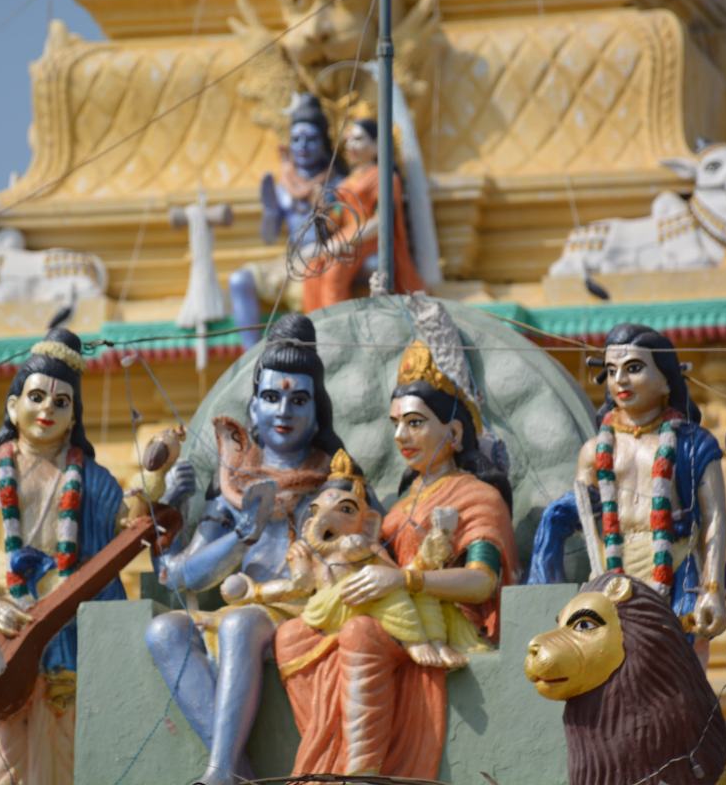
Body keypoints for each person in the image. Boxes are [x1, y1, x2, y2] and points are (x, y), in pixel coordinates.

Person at [274, 312, 518, 778]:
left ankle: (361, 772)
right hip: (385, 610)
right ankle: (325, 753)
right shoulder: (398, 507)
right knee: (290, 638)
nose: (400, 436)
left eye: (414, 423)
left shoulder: (477, 497)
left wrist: (405, 579)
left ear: (454, 433)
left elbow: (482, 582)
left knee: (359, 634)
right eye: (396, 424)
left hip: (439, 621)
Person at [144, 313, 343, 785]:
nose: (284, 411)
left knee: (238, 622)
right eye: (271, 398)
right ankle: (240, 775)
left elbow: (355, 552)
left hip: (307, 612)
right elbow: (184, 576)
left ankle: (220, 771)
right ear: (253, 411)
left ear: (318, 414)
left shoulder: (334, 480)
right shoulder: (234, 487)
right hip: (247, 608)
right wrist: (242, 536)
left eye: (299, 400)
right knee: (164, 632)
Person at [0, 328, 128, 784]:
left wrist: (157, 480)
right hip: (8, 620)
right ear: (13, 407)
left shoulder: (91, 479)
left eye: (61, 402)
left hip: (65, 620)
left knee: (65, 736)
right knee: (8, 744)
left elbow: (126, 520)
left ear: (73, 417)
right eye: (36, 397)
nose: (47, 409)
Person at [527, 324, 726, 652]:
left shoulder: (692, 445)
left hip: (675, 563)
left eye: (633, 368)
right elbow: (586, 516)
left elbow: (714, 517)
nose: (620, 379)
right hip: (611, 568)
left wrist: (713, 589)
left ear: (666, 380)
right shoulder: (594, 450)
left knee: (678, 665)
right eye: (611, 370)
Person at [224, 450, 486, 671]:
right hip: (329, 606)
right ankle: (415, 640)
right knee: (390, 594)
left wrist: (366, 555)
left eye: (346, 510)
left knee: (421, 592)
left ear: (369, 523)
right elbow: (299, 586)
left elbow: (392, 573)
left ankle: (437, 642)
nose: (325, 519)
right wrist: (254, 592)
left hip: (364, 599)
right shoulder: (307, 552)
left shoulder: (368, 544)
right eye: (316, 511)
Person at [230, 94, 345, 348]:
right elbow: (269, 237)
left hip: (323, 258)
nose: (303, 146)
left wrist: (323, 209)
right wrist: (271, 209)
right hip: (291, 260)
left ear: (324, 143)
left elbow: (345, 230)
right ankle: (252, 358)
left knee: (304, 298)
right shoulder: (284, 187)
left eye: (311, 139)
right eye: (296, 139)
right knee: (239, 280)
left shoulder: (338, 183)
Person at [301, 117, 425, 312]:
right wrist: (321, 210)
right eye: (348, 139)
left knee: (335, 270)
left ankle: (337, 326)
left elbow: (382, 220)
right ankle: (315, 324)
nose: (351, 144)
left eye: (358, 139)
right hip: (347, 236)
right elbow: (336, 222)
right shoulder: (346, 183)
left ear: (377, 145)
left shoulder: (384, 178)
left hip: (371, 238)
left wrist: (344, 242)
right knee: (313, 269)